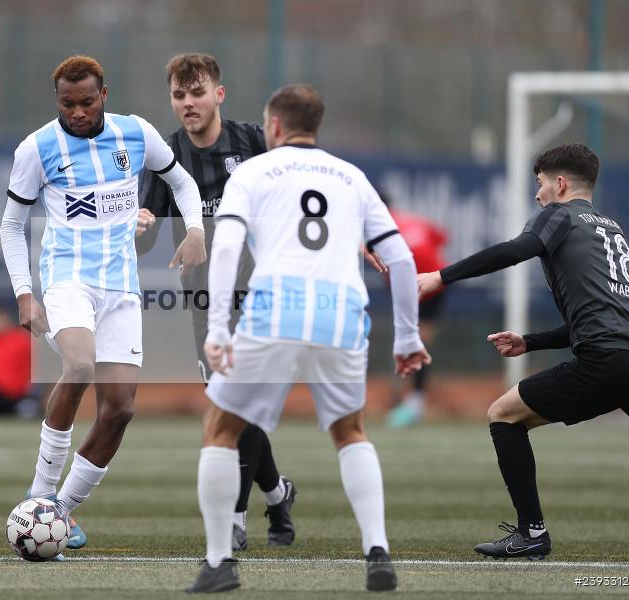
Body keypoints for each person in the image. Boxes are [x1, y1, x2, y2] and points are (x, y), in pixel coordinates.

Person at [186, 84, 431, 593]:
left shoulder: (252, 171)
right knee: (351, 433)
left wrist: (217, 330)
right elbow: (403, 260)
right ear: (315, 127)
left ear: (273, 125)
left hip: (274, 309)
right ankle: (378, 553)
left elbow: (226, 245)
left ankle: (218, 563)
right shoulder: (353, 177)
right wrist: (406, 336)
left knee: (221, 430)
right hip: (341, 315)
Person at [0, 55, 206, 557]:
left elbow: (181, 181)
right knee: (79, 365)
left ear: (104, 95)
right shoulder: (37, 148)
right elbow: (11, 224)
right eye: (67, 104)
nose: (77, 112)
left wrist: (195, 228)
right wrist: (24, 293)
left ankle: (60, 513)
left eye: (86, 102)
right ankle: (41, 491)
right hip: (68, 281)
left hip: (122, 289)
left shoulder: (136, 134)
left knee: (120, 409)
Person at [417, 143, 629, 560]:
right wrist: (530, 342)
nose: (537, 194)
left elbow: (512, 251)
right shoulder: (610, 228)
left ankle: (532, 533)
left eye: (539, 184)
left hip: (604, 363)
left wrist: (442, 276)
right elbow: (603, 320)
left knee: (503, 415)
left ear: (560, 184)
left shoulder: (558, 215)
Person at [136, 53, 296, 552]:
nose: (188, 103)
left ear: (218, 94)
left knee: (237, 401)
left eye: (197, 92)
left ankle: (236, 516)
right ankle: (277, 492)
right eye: (180, 95)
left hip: (262, 293)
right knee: (236, 403)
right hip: (205, 302)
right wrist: (141, 223)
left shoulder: (253, 142)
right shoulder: (165, 154)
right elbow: (145, 241)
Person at [376, 190, 449, 428]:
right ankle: (412, 399)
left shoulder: (378, 225)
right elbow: (441, 237)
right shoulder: (410, 219)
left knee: (414, 339)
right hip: (437, 278)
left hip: (418, 283)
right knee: (415, 338)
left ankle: (413, 401)